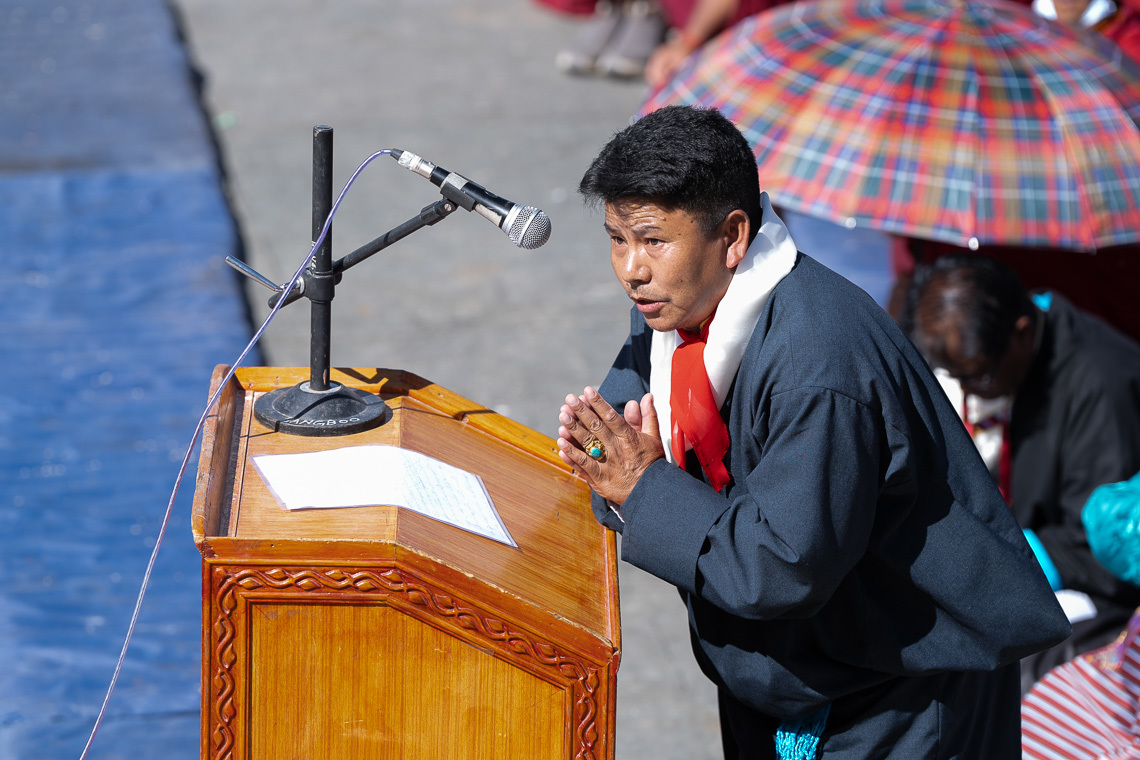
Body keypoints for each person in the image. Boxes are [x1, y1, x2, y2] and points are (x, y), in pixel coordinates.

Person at [557, 104, 1071, 758]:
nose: (631, 268)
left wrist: (642, 485)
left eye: (654, 239)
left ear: (733, 236)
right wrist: (622, 471)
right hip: (793, 671)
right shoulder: (672, 308)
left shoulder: (819, 368)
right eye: (617, 239)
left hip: (899, 690)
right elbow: (613, 444)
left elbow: (781, 568)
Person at [911, 255, 1140, 693]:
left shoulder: (1101, 387)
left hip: (1102, 601)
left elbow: (1104, 546)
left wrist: (1007, 556)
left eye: (979, 378)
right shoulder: (1022, 355)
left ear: (1019, 334)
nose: (974, 391)